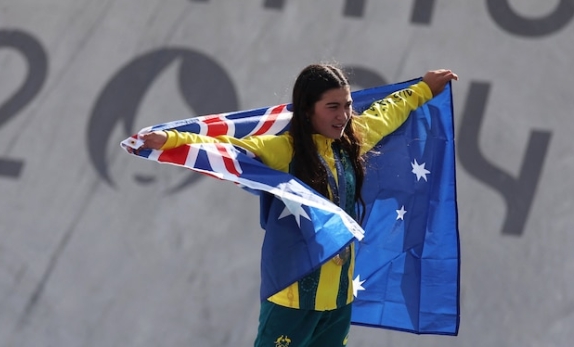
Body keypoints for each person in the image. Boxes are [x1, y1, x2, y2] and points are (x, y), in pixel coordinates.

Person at [136, 64, 458, 347]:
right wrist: (173, 141)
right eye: (332, 106)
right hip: (292, 296)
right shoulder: (283, 150)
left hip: (338, 300)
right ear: (307, 110)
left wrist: (425, 88)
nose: (343, 115)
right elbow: (227, 149)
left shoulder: (351, 141)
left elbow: (385, 114)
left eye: (346, 105)